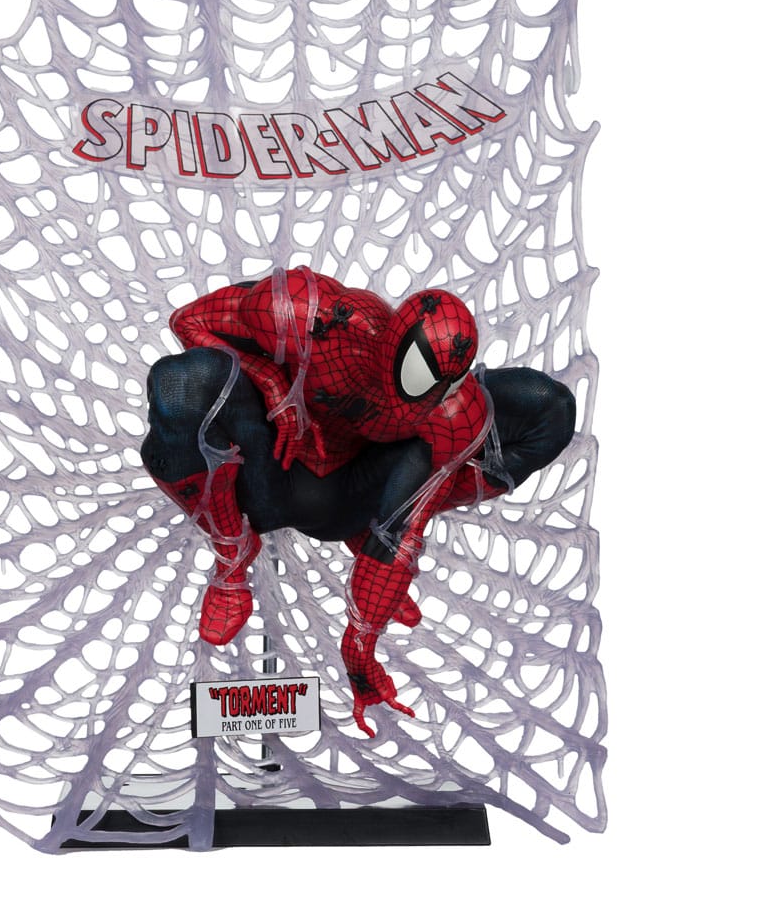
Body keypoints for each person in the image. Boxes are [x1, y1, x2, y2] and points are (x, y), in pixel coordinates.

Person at [141, 267, 575, 735]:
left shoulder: (447, 412)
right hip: (266, 471)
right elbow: (187, 321)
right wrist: (270, 380)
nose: (421, 403)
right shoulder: (314, 317)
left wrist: (360, 651)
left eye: (444, 386)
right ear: (393, 343)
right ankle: (232, 554)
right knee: (178, 380)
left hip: (346, 501)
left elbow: (405, 527)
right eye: (420, 376)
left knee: (548, 408)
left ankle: (363, 538)